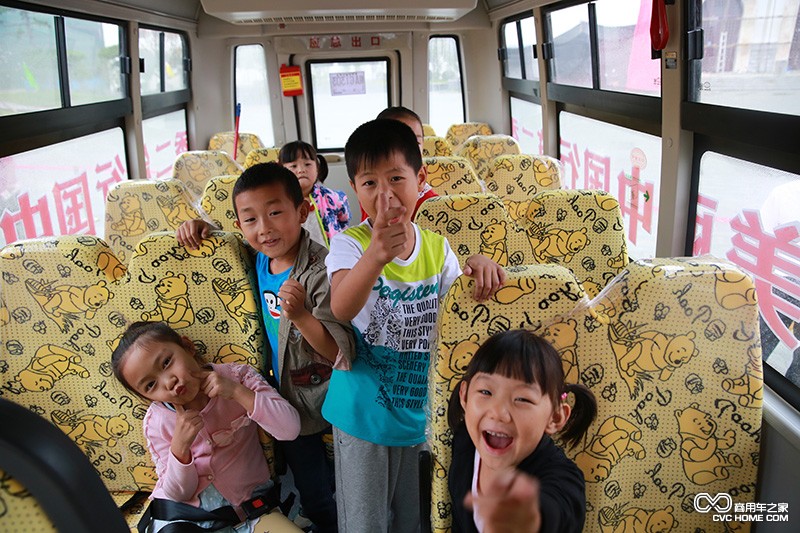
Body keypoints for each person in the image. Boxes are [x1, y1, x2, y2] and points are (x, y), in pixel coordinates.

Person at [323, 118, 506, 532]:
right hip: (361, 414)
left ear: (420, 178)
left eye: (396, 178)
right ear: (355, 189)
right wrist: (375, 256)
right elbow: (342, 307)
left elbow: (457, 317)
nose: (384, 195)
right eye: (369, 184)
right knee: (366, 523)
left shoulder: (438, 250)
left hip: (417, 412)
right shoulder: (349, 244)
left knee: (413, 520)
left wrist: (478, 269)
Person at [177, 162, 354, 532]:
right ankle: (321, 514)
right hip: (283, 391)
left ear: (302, 212)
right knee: (310, 481)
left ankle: (338, 515)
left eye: (275, 212)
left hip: (323, 385)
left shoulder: (323, 269)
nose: (265, 228)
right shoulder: (257, 257)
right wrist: (205, 230)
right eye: (251, 219)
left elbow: (337, 352)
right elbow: (236, 239)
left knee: (340, 472)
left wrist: (302, 315)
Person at [111, 321, 301, 532]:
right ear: (146, 397)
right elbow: (177, 494)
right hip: (187, 517)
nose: (169, 382)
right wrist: (180, 450)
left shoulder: (238, 377)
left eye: (166, 362)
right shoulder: (157, 422)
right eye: (150, 385)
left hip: (251, 508)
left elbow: (290, 428)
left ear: (187, 347)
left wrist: (238, 393)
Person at [447, 329, 597, 533]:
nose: (499, 413)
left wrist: (530, 517)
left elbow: (559, 508)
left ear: (555, 417)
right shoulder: (465, 441)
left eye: (522, 399)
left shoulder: (563, 476)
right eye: (485, 392)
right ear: (464, 396)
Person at [358, 106, 438, 222]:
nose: (407, 150)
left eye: (414, 142)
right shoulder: (370, 190)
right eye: (394, 142)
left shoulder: (431, 203)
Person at [279, 140, 351, 247]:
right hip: (299, 259)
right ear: (281, 171)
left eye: (307, 164)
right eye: (293, 166)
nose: (301, 170)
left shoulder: (332, 197)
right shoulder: (280, 202)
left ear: (317, 168)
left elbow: (344, 221)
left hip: (330, 256)